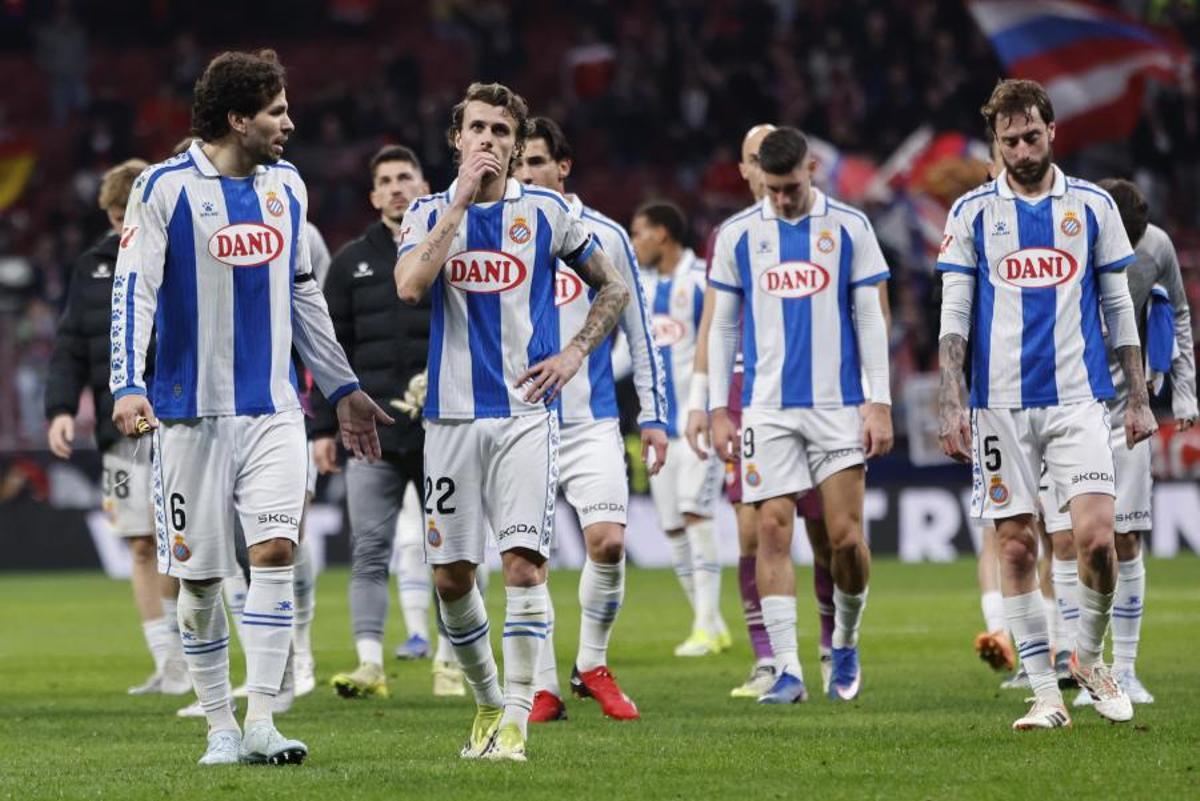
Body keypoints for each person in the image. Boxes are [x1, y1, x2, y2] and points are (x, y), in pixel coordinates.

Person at [110, 49, 390, 766]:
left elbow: (303, 293)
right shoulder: (166, 189)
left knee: (274, 551)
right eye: (276, 111)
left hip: (273, 411)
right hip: (189, 415)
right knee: (201, 581)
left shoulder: (286, 188)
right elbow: (134, 290)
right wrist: (127, 383)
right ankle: (219, 728)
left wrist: (342, 386)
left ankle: (262, 718)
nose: (290, 123)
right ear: (237, 118)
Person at [394, 82, 630, 762]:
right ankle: (489, 699)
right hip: (450, 420)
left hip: (527, 416)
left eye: (502, 131)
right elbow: (410, 286)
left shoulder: (550, 213)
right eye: (478, 129)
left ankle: (518, 722)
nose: (490, 141)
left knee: (524, 566)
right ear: (456, 139)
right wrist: (461, 203)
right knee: (451, 579)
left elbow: (611, 285)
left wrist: (574, 351)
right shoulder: (429, 211)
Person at [936, 79, 1157, 730]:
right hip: (999, 404)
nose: (1023, 149)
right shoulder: (971, 214)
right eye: (1010, 141)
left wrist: (1139, 397)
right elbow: (954, 316)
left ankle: (1089, 659)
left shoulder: (1091, 206)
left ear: (1052, 131)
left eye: (1032, 136)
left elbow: (1118, 307)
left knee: (1093, 542)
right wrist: (952, 402)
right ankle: (1045, 694)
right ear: (996, 142)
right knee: (1014, 548)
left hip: (1078, 399)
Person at [708, 126, 893, 704]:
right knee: (770, 527)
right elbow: (723, 327)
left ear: (812, 169)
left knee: (843, 541)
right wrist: (718, 408)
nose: (781, 200)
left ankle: (846, 640)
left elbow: (870, 319)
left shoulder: (851, 227)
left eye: (790, 188)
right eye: (772, 189)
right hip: (767, 408)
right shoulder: (738, 234)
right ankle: (787, 668)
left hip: (837, 406)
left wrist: (879, 401)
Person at [513, 116, 667, 722]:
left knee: (607, 543)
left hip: (593, 422)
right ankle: (546, 686)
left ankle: (591, 664)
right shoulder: (502, 228)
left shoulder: (603, 233)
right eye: (519, 163)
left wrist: (653, 416)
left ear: (563, 166)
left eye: (535, 162)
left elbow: (639, 331)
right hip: (521, 423)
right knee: (528, 561)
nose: (525, 173)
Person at [687, 123, 839, 696]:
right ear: (745, 169)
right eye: (752, 160)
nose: (761, 171)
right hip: (744, 397)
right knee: (754, 532)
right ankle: (770, 660)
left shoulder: (830, 228)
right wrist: (705, 402)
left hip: (816, 397)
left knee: (823, 532)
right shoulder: (727, 236)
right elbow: (712, 323)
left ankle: (829, 646)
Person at [1040, 178, 1195, 709]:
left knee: (1123, 540)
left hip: (1128, 409)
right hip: (1066, 405)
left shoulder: (1157, 248)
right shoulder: (1066, 240)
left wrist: (1183, 392)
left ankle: (1123, 670)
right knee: (1065, 541)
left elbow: (1178, 313)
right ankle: (1076, 660)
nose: (1122, 254)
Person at [45, 158, 188, 698]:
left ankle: (189, 655)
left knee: (180, 539)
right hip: (119, 438)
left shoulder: (180, 253)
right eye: (122, 212)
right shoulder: (92, 267)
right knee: (139, 541)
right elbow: (72, 345)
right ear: (110, 214)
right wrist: (61, 408)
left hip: (177, 420)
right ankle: (168, 662)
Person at [311, 144, 434, 701]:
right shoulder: (350, 261)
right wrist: (321, 430)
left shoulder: (448, 250)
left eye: (404, 177)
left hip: (444, 430)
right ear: (372, 194)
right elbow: (326, 349)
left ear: (424, 184)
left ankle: (454, 661)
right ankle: (369, 665)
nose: (395, 188)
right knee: (369, 549)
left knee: (456, 551)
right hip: (372, 437)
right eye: (384, 180)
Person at [631, 201, 728, 657]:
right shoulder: (644, 289)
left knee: (695, 514)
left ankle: (706, 626)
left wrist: (714, 405)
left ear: (663, 235)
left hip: (699, 423)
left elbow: (723, 340)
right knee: (671, 528)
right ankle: (709, 621)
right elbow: (629, 353)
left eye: (640, 234)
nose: (635, 244)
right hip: (659, 429)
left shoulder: (703, 278)